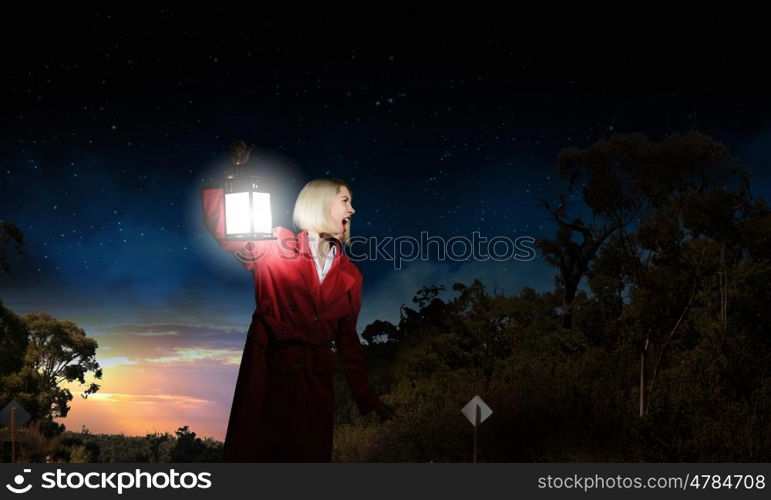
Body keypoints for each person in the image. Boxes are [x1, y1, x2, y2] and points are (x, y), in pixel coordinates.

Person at [202, 177, 393, 462]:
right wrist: (234, 176)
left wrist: (370, 400)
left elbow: (349, 343)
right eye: (345, 200)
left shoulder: (351, 276)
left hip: (315, 382)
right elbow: (225, 232)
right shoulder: (275, 243)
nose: (352, 210)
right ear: (318, 204)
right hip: (269, 370)